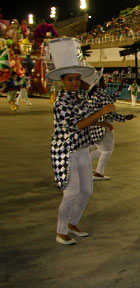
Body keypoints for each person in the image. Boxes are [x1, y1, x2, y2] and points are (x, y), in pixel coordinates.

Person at [47, 38, 115, 245]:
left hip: (83, 150)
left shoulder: (79, 98)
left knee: (87, 191)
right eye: (70, 79)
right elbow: (77, 125)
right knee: (71, 192)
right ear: (62, 80)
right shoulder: (61, 102)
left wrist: (102, 121)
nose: (75, 82)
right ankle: (61, 231)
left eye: (77, 79)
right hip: (66, 151)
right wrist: (101, 114)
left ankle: (72, 222)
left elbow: (90, 117)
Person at [83, 71, 136, 180]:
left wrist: (121, 87)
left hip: (94, 126)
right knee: (107, 150)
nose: (106, 82)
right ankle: (98, 173)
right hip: (103, 125)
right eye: (104, 80)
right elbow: (110, 112)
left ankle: (83, 164)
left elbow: (111, 100)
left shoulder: (95, 93)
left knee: (101, 150)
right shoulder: (101, 94)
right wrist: (124, 118)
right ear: (99, 83)